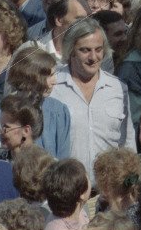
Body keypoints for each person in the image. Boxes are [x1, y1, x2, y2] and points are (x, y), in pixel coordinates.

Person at [49, 18, 134, 186]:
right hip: (65, 191)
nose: (93, 57)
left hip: (108, 192)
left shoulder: (118, 88)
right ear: (71, 50)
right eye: (85, 50)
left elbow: (128, 144)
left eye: (98, 50)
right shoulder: (53, 88)